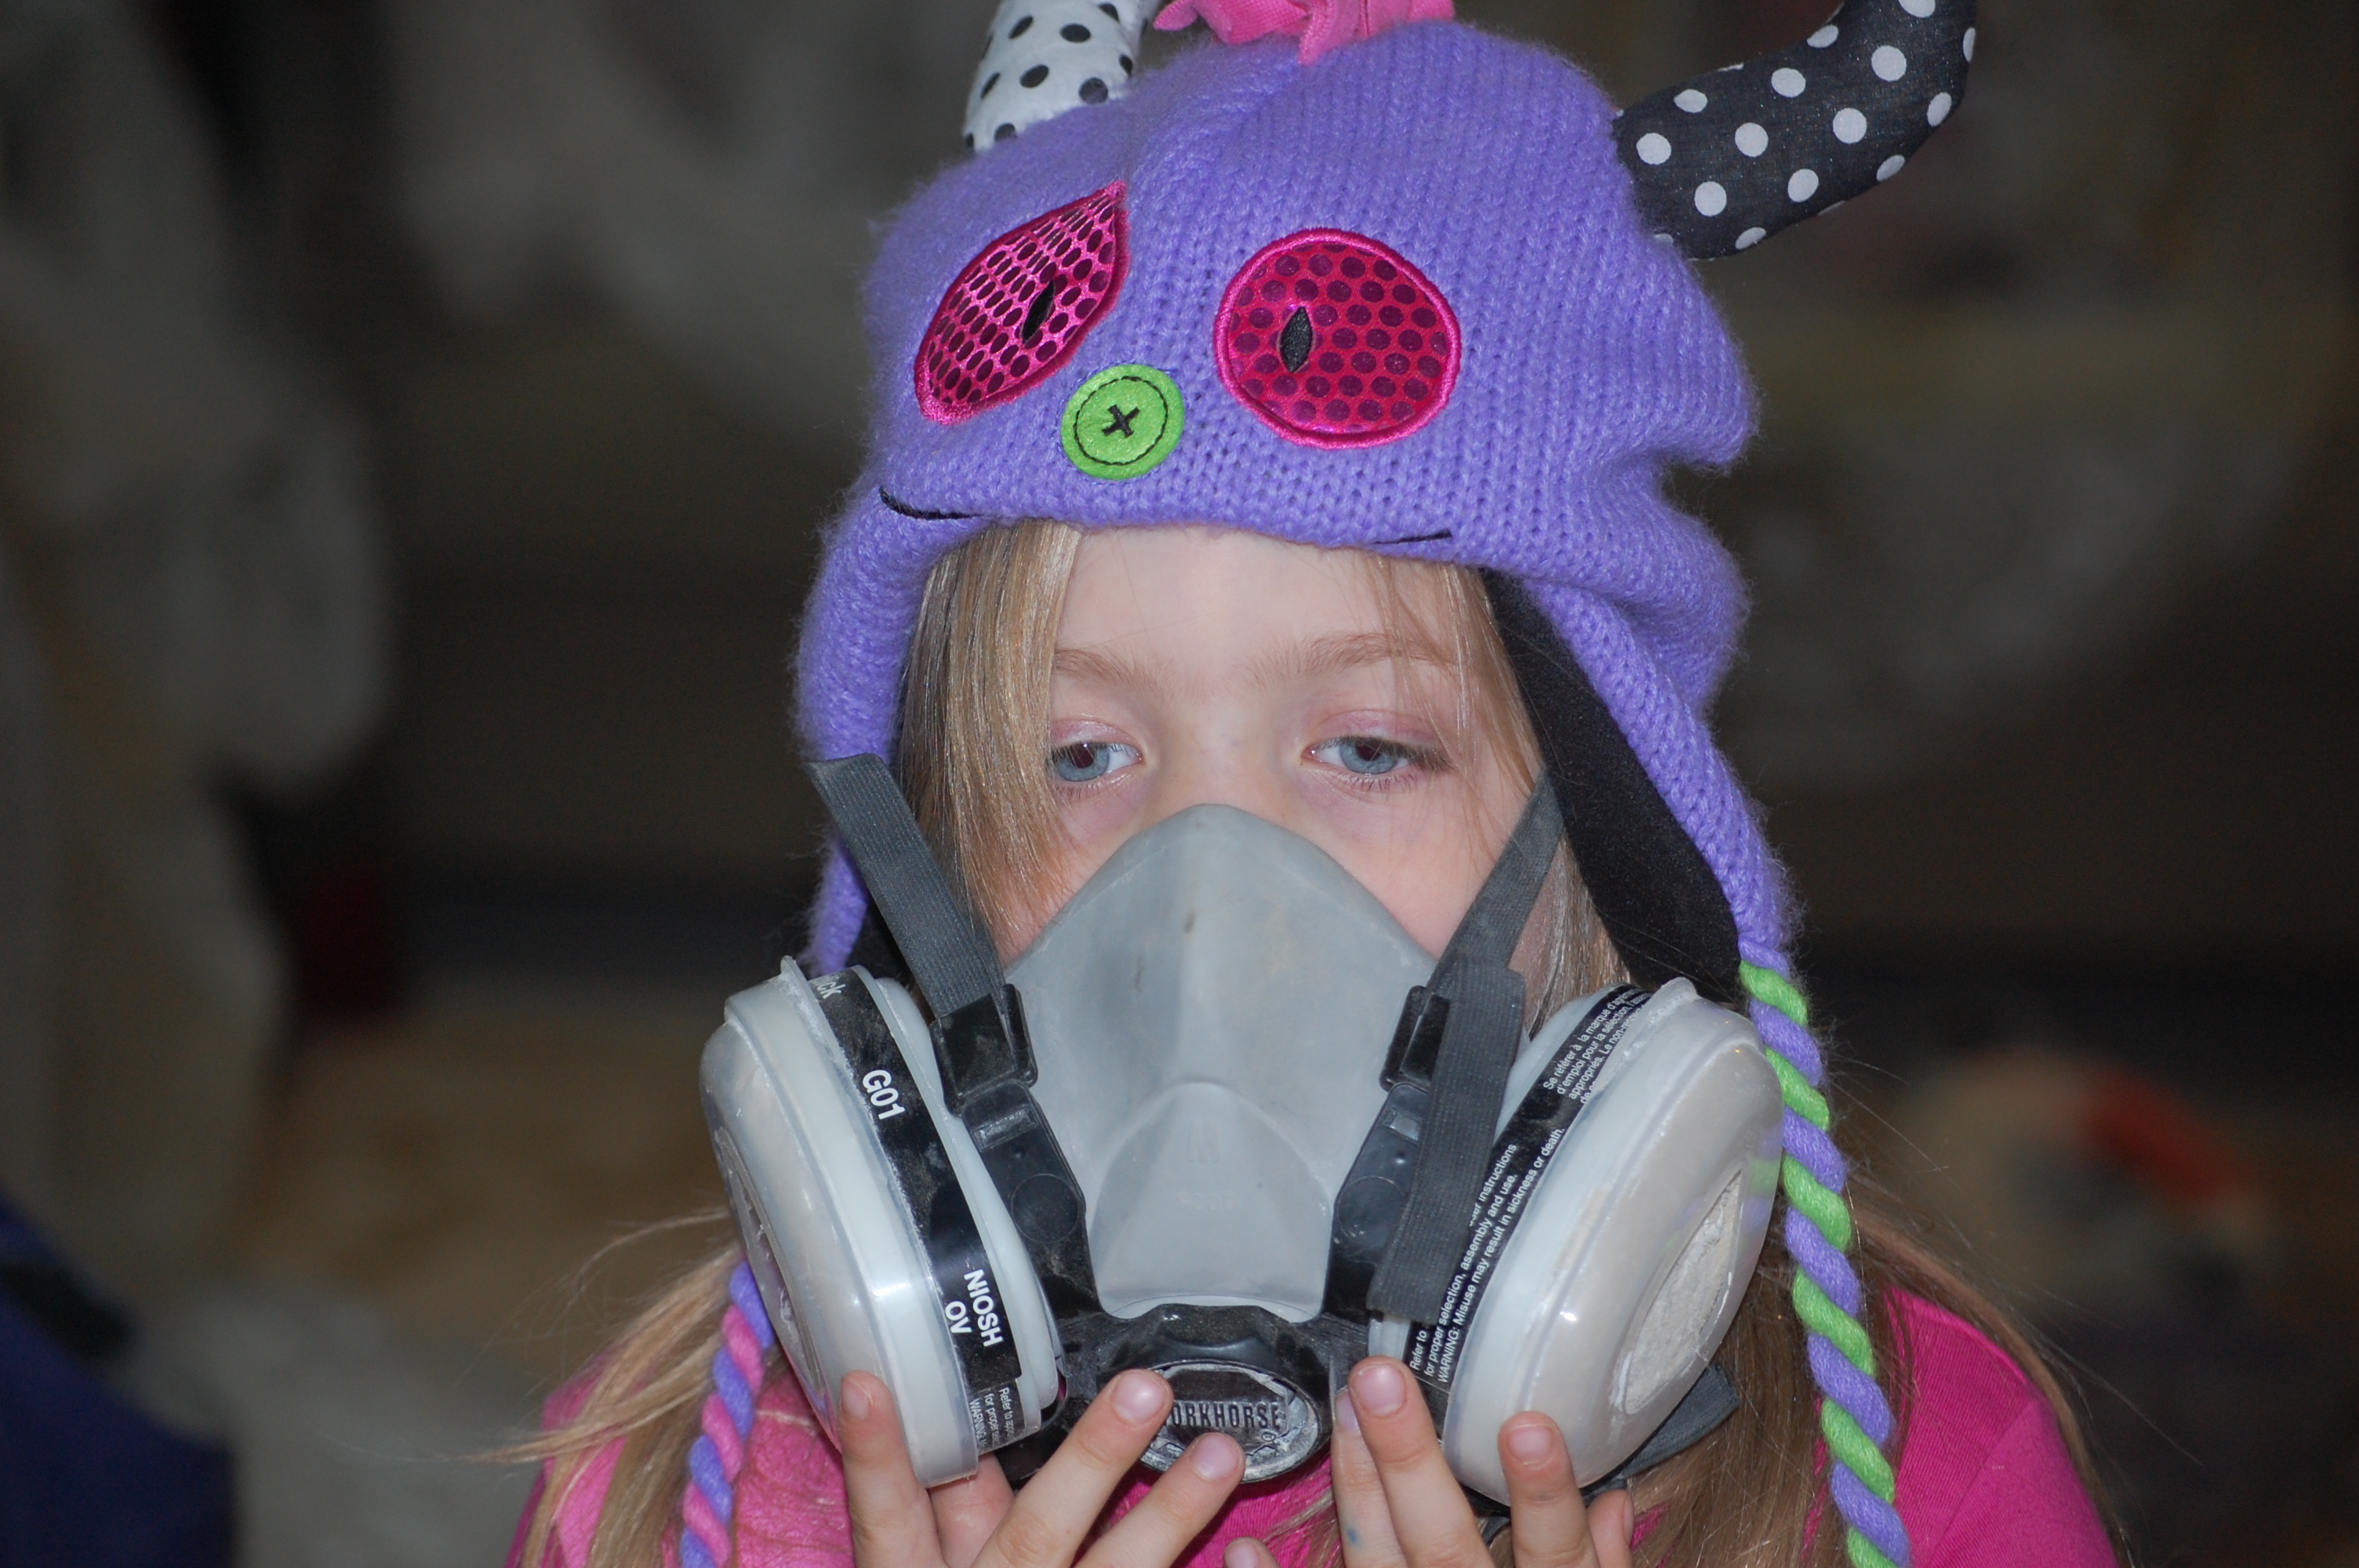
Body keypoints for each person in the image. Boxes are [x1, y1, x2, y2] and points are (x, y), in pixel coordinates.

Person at [508, 2, 2120, 1566]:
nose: (1206, 914)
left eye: (1368, 748)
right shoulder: (673, 1496)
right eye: (1077, 755)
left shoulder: (1906, 1472)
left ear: (1614, 826)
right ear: (916, 855)